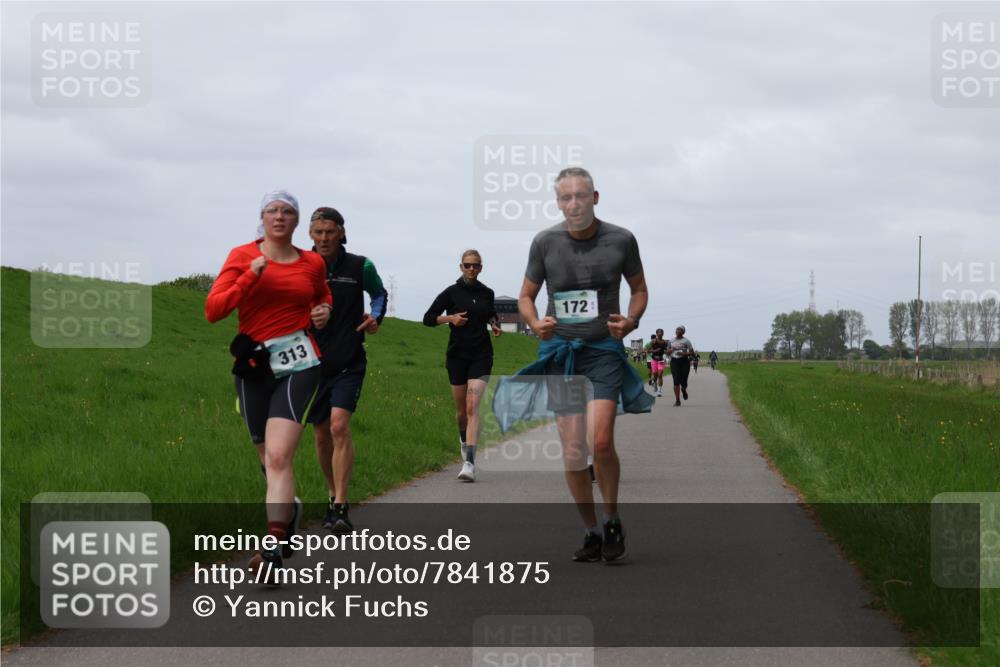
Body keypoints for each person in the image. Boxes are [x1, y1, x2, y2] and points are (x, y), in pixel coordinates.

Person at [515, 167, 651, 562]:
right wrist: (534, 322)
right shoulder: (544, 242)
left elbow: (639, 289)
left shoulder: (621, 239)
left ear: (595, 198)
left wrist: (631, 320)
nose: (573, 204)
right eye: (565, 198)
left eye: (580, 196)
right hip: (560, 352)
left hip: (603, 350)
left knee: (602, 440)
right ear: (558, 202)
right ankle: (591, 531)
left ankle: (611, 519)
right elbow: (526, 296)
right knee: (574, 449)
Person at [206, 190, 332, 583]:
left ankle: (275, 546)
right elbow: (214, 310)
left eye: (288, 211)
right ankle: (288, 509)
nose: (280, 216)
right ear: (262, 218)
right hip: (254, 366)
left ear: (298, 224)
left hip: (301, 362)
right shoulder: (242, 256)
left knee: (279, 456)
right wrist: (250, 276)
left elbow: (321, 295)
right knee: (267, 459)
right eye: (272, 210)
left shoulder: (311, 263)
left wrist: (324, 310)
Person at [305, 207, 387, 534]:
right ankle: (330, 494)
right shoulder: (301, 267)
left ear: (341, 232)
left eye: (329, 231)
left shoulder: (360, 265)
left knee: (339, 426)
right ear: (311, 234)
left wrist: (375, 317)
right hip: (310, 364)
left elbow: (379, 295)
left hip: (349, 360)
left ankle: (340, 505)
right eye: (318, 232)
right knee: (321, 434)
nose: (324, 238)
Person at [423, 250, 502, 482]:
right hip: (457, 355)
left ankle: (469, 462)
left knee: (472, 407)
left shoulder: (487, 293)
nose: (471, 269)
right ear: (460, 267)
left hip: (481, 355)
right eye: (467, 265)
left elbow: (490, 314)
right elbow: (428, 318)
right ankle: (463, 438)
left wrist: (494, 324)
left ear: (481, 268)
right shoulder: (450, 292)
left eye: (475, 266)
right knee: (461, 414)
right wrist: (450, 319)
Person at [668, 325, 696, 406]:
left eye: (680, 330)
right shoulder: (671, 341)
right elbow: (667, 352)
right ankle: (677, 400)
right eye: (677, 329)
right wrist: (670, 350)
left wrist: (684, 353)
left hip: (684, 361)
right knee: (676, 381)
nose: (678, 331)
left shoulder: (686, 341)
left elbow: (692, 352)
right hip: (674, 361)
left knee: (683, 381)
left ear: (683, 332)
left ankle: (683, 389)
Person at [648, 329, 670, 397]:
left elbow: (667, 350)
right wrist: (655, 350)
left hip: (661, 360)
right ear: (656, 334)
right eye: (659, 332)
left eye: (661, 332)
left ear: (663, 334)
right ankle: (654, 383)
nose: (660, 333)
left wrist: (667, 352)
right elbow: (648, 350)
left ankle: (659, 391)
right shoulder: (653, 341)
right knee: (655, 374)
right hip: (654, 360)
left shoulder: (665, 342)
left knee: (660, 375)